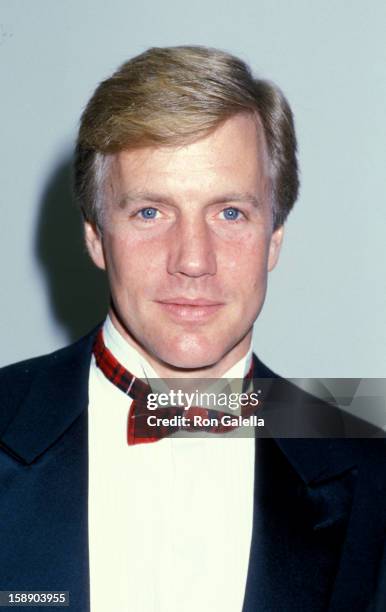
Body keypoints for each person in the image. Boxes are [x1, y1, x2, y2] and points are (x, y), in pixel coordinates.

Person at [0, 46, 385, 612]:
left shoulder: (371, 462)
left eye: (230, 212)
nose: (193, 259)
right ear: (94, 236)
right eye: (150, 212)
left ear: (273, 238)